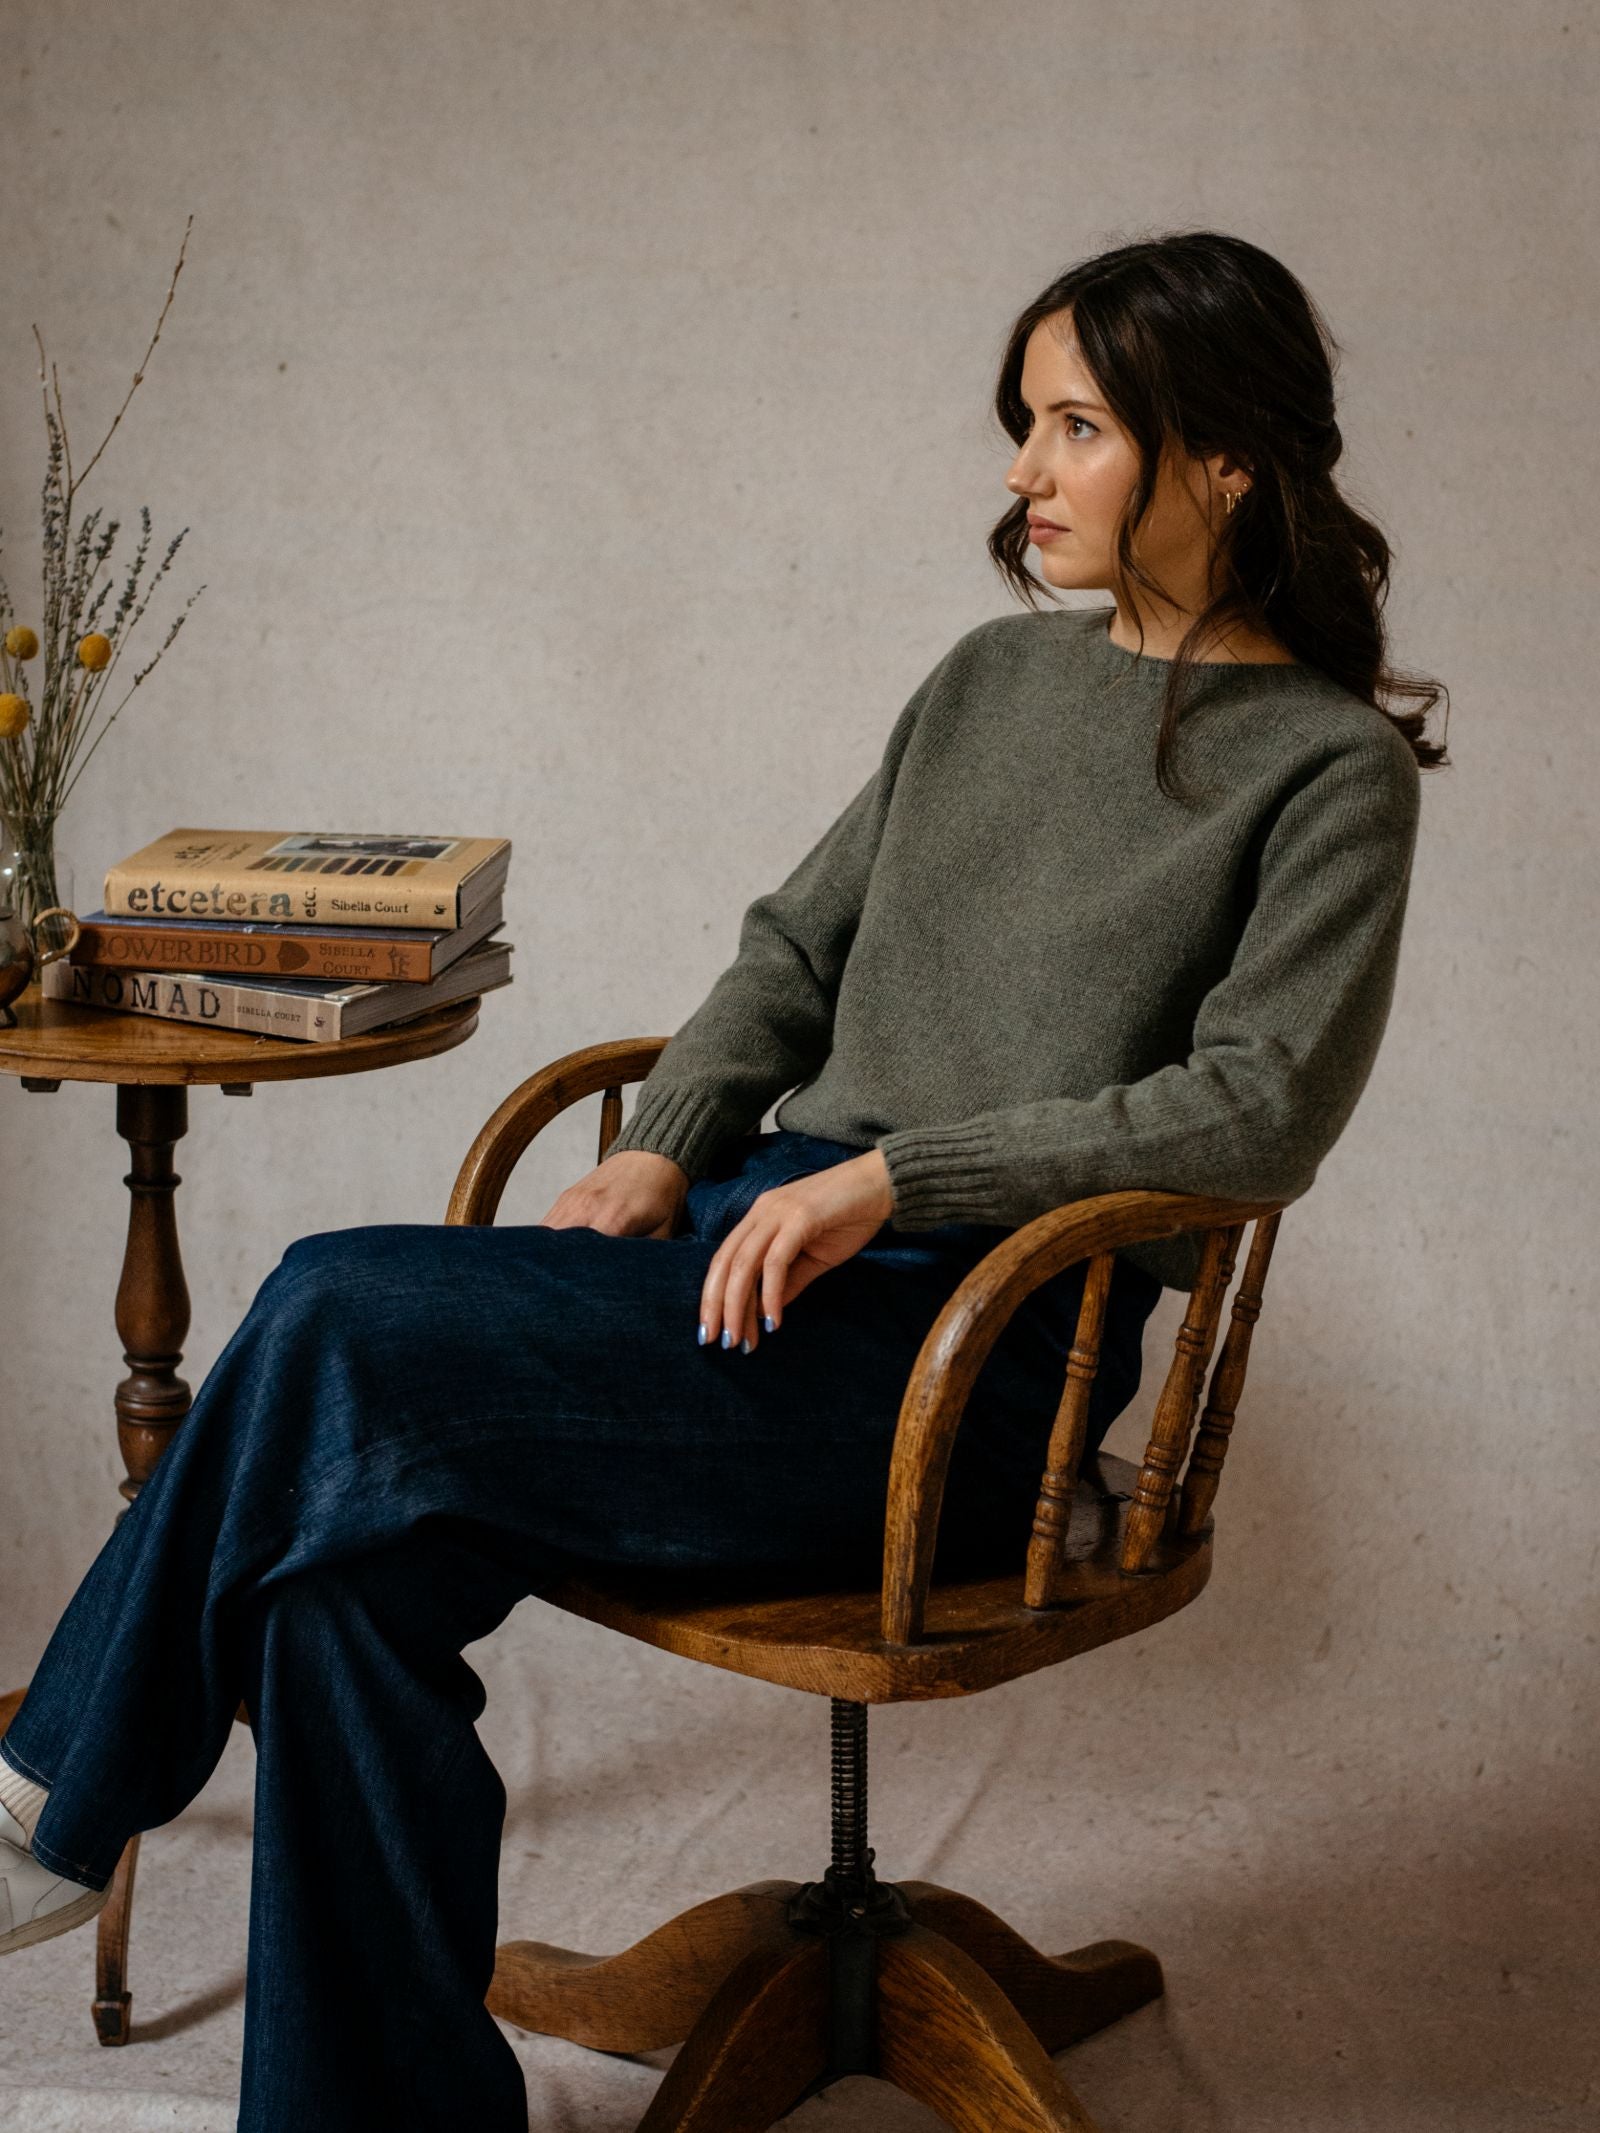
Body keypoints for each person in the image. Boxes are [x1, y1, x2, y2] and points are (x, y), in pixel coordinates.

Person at [0, 229, 1446, 2129]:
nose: (1025, 470)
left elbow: (1256, 1113)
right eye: (1026, 422)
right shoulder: (987, 682)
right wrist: (666, 1146)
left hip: (965, 1361)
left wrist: (896, 1179)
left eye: (1078, 427)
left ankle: (50, 1801)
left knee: (336, 1298)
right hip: (746, 1264)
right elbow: (792, 952)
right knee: (330, 1595)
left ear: (1229, 459)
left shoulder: (1330, 771)